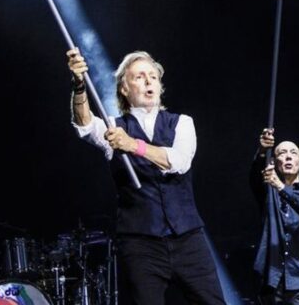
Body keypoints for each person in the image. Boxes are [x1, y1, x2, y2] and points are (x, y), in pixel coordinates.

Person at [66, 48, 226, 305]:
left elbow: (178, 161)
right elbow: (84, 125)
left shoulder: (182, 123)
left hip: (187, 238)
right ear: (124, 89)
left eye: (153, 76)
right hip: (140, 243)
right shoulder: (113, 128)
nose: (149, 80)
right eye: (139, 76)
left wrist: (132, 145)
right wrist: (79, 85)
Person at [251, 128, 299, 304]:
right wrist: (262, 151)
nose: (287, 156)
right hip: (272, 280)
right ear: (275, 162)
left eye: (293, 153)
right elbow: (255, 175)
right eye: (282, 153)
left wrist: (281, 186)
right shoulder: (268, 191)